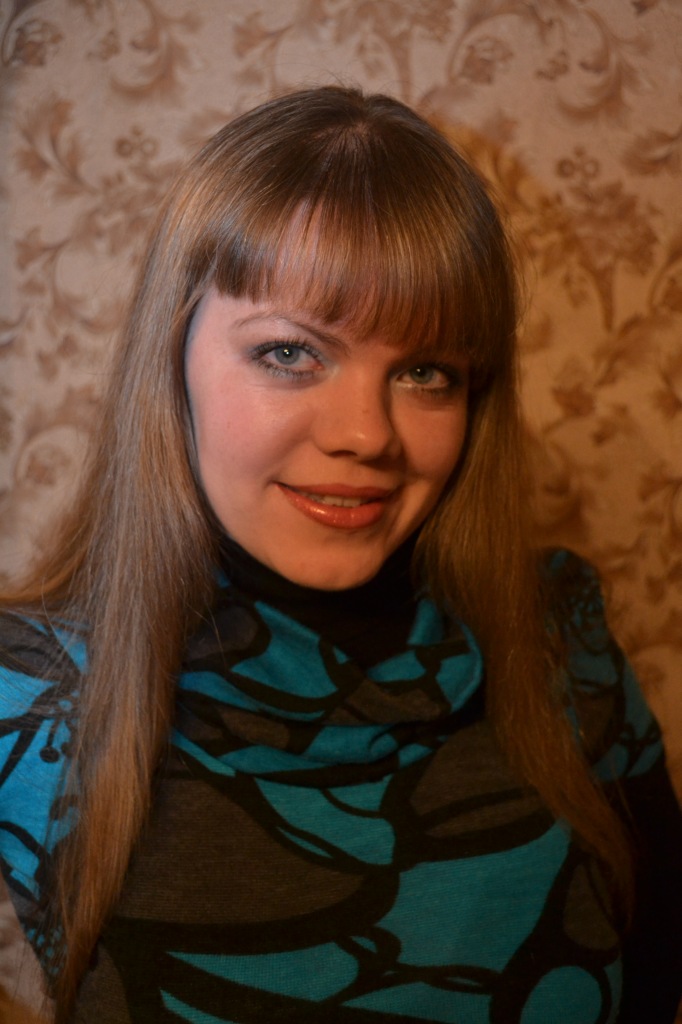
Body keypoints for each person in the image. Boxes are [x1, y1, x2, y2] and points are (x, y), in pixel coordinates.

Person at [0, 85, 680, 1024]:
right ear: (173, 357)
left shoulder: (564, 644)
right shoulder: (25, 694)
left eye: (425, 372)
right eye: (290, 354)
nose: (367, 434)